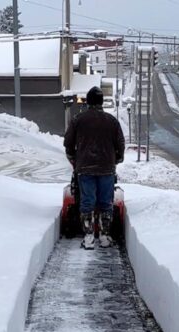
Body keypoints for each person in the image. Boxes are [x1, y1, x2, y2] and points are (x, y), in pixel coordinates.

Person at [64, 86, 125, 249]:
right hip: (106, 169)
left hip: (85, 169)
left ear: (88, 101)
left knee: (87, 201)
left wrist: (75, 161)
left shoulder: (78, 120)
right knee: (106, 202)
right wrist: (116, 160)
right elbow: (120, 144)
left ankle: (89, 236)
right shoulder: (112, 121)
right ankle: (105, 236)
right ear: (101, 102)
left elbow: (68, 144)